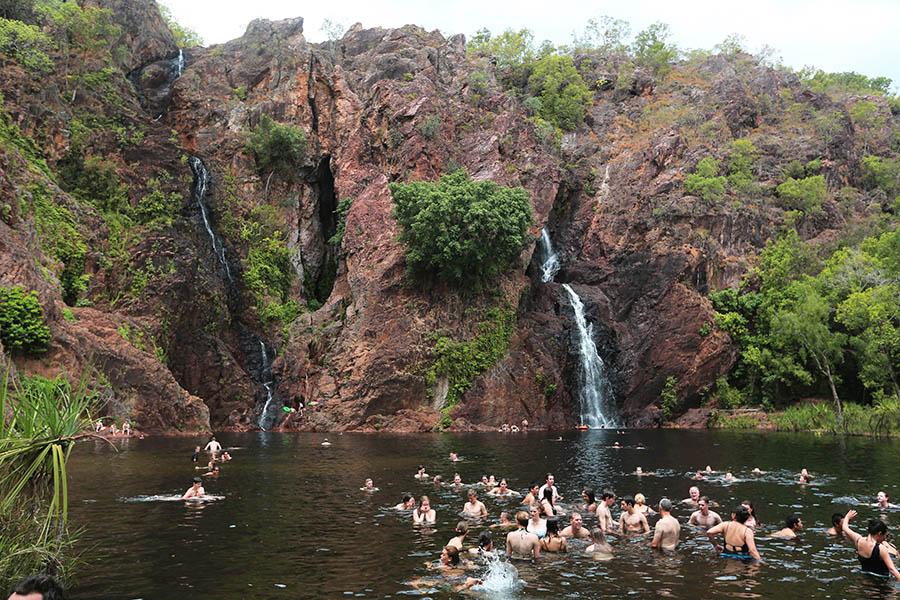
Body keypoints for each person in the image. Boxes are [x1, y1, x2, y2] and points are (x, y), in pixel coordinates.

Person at [842, 509, 900, 580]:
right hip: (881, 583)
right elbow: (892, 570)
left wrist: (847, 517)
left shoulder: (858, 540)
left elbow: (845, 528)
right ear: (879, 533)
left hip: (865, 579)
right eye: (885, 535)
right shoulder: (881, 548)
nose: (885, 538)